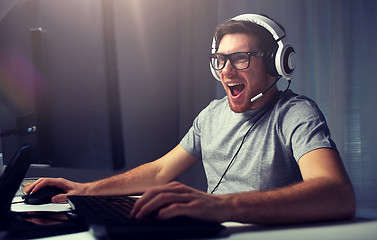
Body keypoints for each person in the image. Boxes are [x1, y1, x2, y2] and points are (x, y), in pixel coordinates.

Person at [26, 14, 355, 225]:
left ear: (276, 64)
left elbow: (336, 193)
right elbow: (159, 172)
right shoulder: (211, 114)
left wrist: (221, 206)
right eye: (220, 60)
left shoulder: (295, 112)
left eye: (240, 58)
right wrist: (84, 190)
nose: (226, 71)